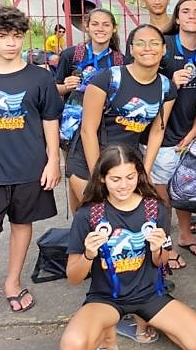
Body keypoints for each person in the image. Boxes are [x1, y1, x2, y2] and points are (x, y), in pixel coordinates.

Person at [59, 145, 196, 350]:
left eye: (130, 177)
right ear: (102, 178)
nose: (124, 185)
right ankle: (109, 328)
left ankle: (145, 318)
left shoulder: (154, 209)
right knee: (72, 349)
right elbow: (73, 278)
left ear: (139, 174)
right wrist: (88, 254)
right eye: (115, 179)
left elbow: (161, 262)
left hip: (149, 295)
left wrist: (157, 249)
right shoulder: (89, 215)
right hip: (106, 299)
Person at [0, 5, 63, 318]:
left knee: (22, 224)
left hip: (28, 168)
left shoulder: (39, 77)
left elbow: (50, 120)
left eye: (17, 36)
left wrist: (52, 162)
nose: (11, 42)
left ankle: (12, 282)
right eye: (3, 35)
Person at [64, 24, 177, 212]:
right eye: (140, 43)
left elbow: (157, 131)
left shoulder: (166, 87)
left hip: (128, 160)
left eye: (154, 43)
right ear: (131, 49)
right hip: (90, 157)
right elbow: (87, 130)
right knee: (95, 220)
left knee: (126, 221)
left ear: (164, 49)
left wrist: (145, 172)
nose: (148, 48)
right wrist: (97, 176)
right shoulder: (107, 79)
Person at [145, 0, 196, 266]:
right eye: (186, 11)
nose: (192, 16)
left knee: (184, 188)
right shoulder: (164, 46)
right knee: (163, 196)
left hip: (188, 133)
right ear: (177, 18)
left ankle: (184, 235)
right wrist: (170, 82)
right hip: (162, 134)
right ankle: (165, 246)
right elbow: (145, 82)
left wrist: (195, 129)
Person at [55, 8, 124, 101]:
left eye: (106, 25)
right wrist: (67, 87)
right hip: (75, 113)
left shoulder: (121, 61)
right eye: (94, 24)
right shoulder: (70, 55)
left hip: (108, 114)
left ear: (114, 28)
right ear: (87, 27)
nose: (100, 29)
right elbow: (55, 89)